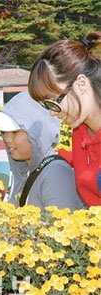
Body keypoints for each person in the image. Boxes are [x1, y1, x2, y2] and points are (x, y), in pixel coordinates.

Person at [28, 31, 101, 207]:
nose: (53, 113)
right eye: (47, 106)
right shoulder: (80, 133)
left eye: (54, 102)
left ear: (81, 84)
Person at [0, 91, 85, 212]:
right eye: (4, 132)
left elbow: (62, 226)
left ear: (38, 135)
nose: (7, 139)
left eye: (15, 132)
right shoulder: (23, 171)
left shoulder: (55, 173)